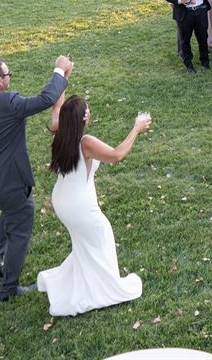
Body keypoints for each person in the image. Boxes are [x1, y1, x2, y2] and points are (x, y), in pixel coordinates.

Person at [0, 55, 71, 301]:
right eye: (8, 75)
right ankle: (9, 289)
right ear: (0, 81)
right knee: (20, 226)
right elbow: (45, 99)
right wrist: (59, 71)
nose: (9, 78)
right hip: (11, 182)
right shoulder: (10, 103)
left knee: (11, 212)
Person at [36, 95, 148, 316]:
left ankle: (77, 280)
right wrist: (136, 128)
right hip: (79, 207)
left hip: (62, 200)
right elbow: (116, 155)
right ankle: (103, 289)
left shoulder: (60, 133)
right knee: (101, 236)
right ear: (84, 117)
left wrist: (63, 79)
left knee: (85, 244)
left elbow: (57, 107)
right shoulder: (85, 142)